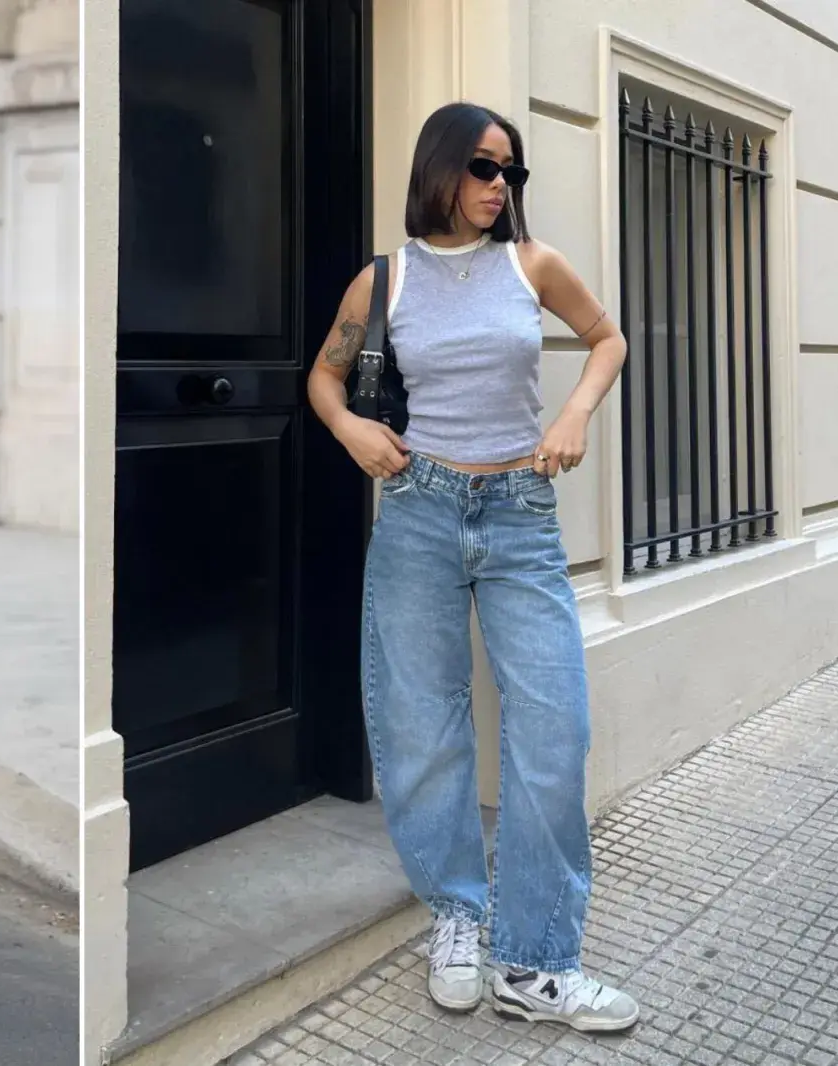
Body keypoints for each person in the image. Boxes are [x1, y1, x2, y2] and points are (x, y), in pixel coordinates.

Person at [306, 102, 639, 1032]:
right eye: (486, 170)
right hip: (418, 507)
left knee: (553, 725)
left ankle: (534, 963)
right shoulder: (387, 280)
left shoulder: (533, 266)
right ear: (442, 170)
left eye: (513, 173)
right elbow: (325, 376)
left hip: (521, 512)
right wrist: (349, 427)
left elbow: (608, 339)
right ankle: (458, 911)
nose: (501, 188)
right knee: (422, 722)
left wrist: (572, 415)